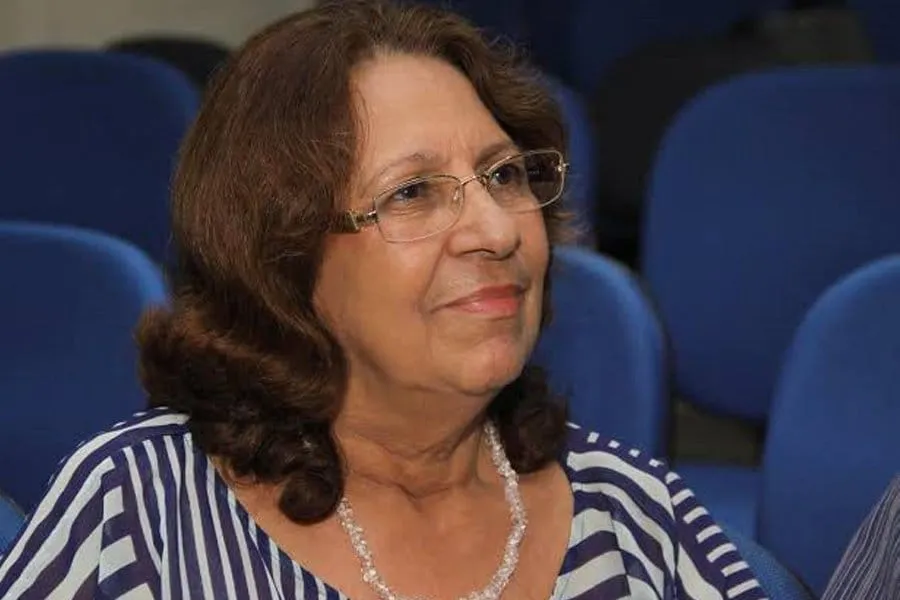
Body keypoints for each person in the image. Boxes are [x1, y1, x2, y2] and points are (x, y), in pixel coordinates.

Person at [0, 1, 766, 598]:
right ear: (284, 254)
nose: (497, 230)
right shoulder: (139, 515)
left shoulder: (634, 517)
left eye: (504, 175)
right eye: (411, 193)